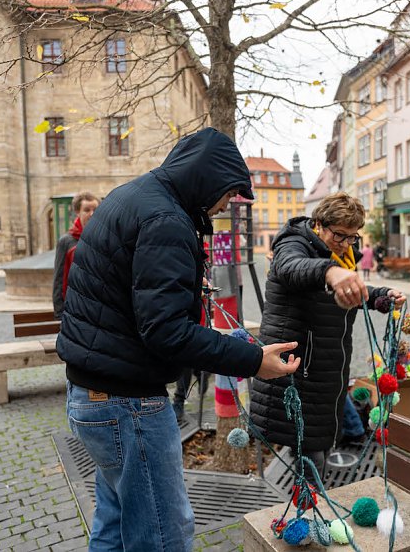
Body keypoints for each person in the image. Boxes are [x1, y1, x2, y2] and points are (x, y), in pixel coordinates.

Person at [57, 127, 301, 551]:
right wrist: (251, 359)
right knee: (163, 536)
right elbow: (165, 331)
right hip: (127, 405)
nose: (226, 205)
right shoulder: (166, 220)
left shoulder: (130, 197)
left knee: (113, 528)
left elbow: (142, 312)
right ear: (208, 181)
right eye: (227, 194)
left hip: (92, 394)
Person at [249, 192, 406, 483]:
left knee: (319, 445)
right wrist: (330, 271)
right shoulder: (293, 243)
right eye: (339, 235)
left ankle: (309, 511)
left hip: (326, 368)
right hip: (298, 370)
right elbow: (292, 268)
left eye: (352, 237)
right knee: (312, 455)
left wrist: (380, 297)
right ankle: (308, 516)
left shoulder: (342, 256)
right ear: (319, 224)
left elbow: (345, 291)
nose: (346, 243)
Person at [52, 192, 99, 318]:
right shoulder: (67, 241)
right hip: (75, 310)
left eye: (95, 209)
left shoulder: (103, 239)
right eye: (87, 210)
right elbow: (59, 279)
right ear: (78, 212)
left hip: (99, 309)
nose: (92, 214)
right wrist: (60, 314)